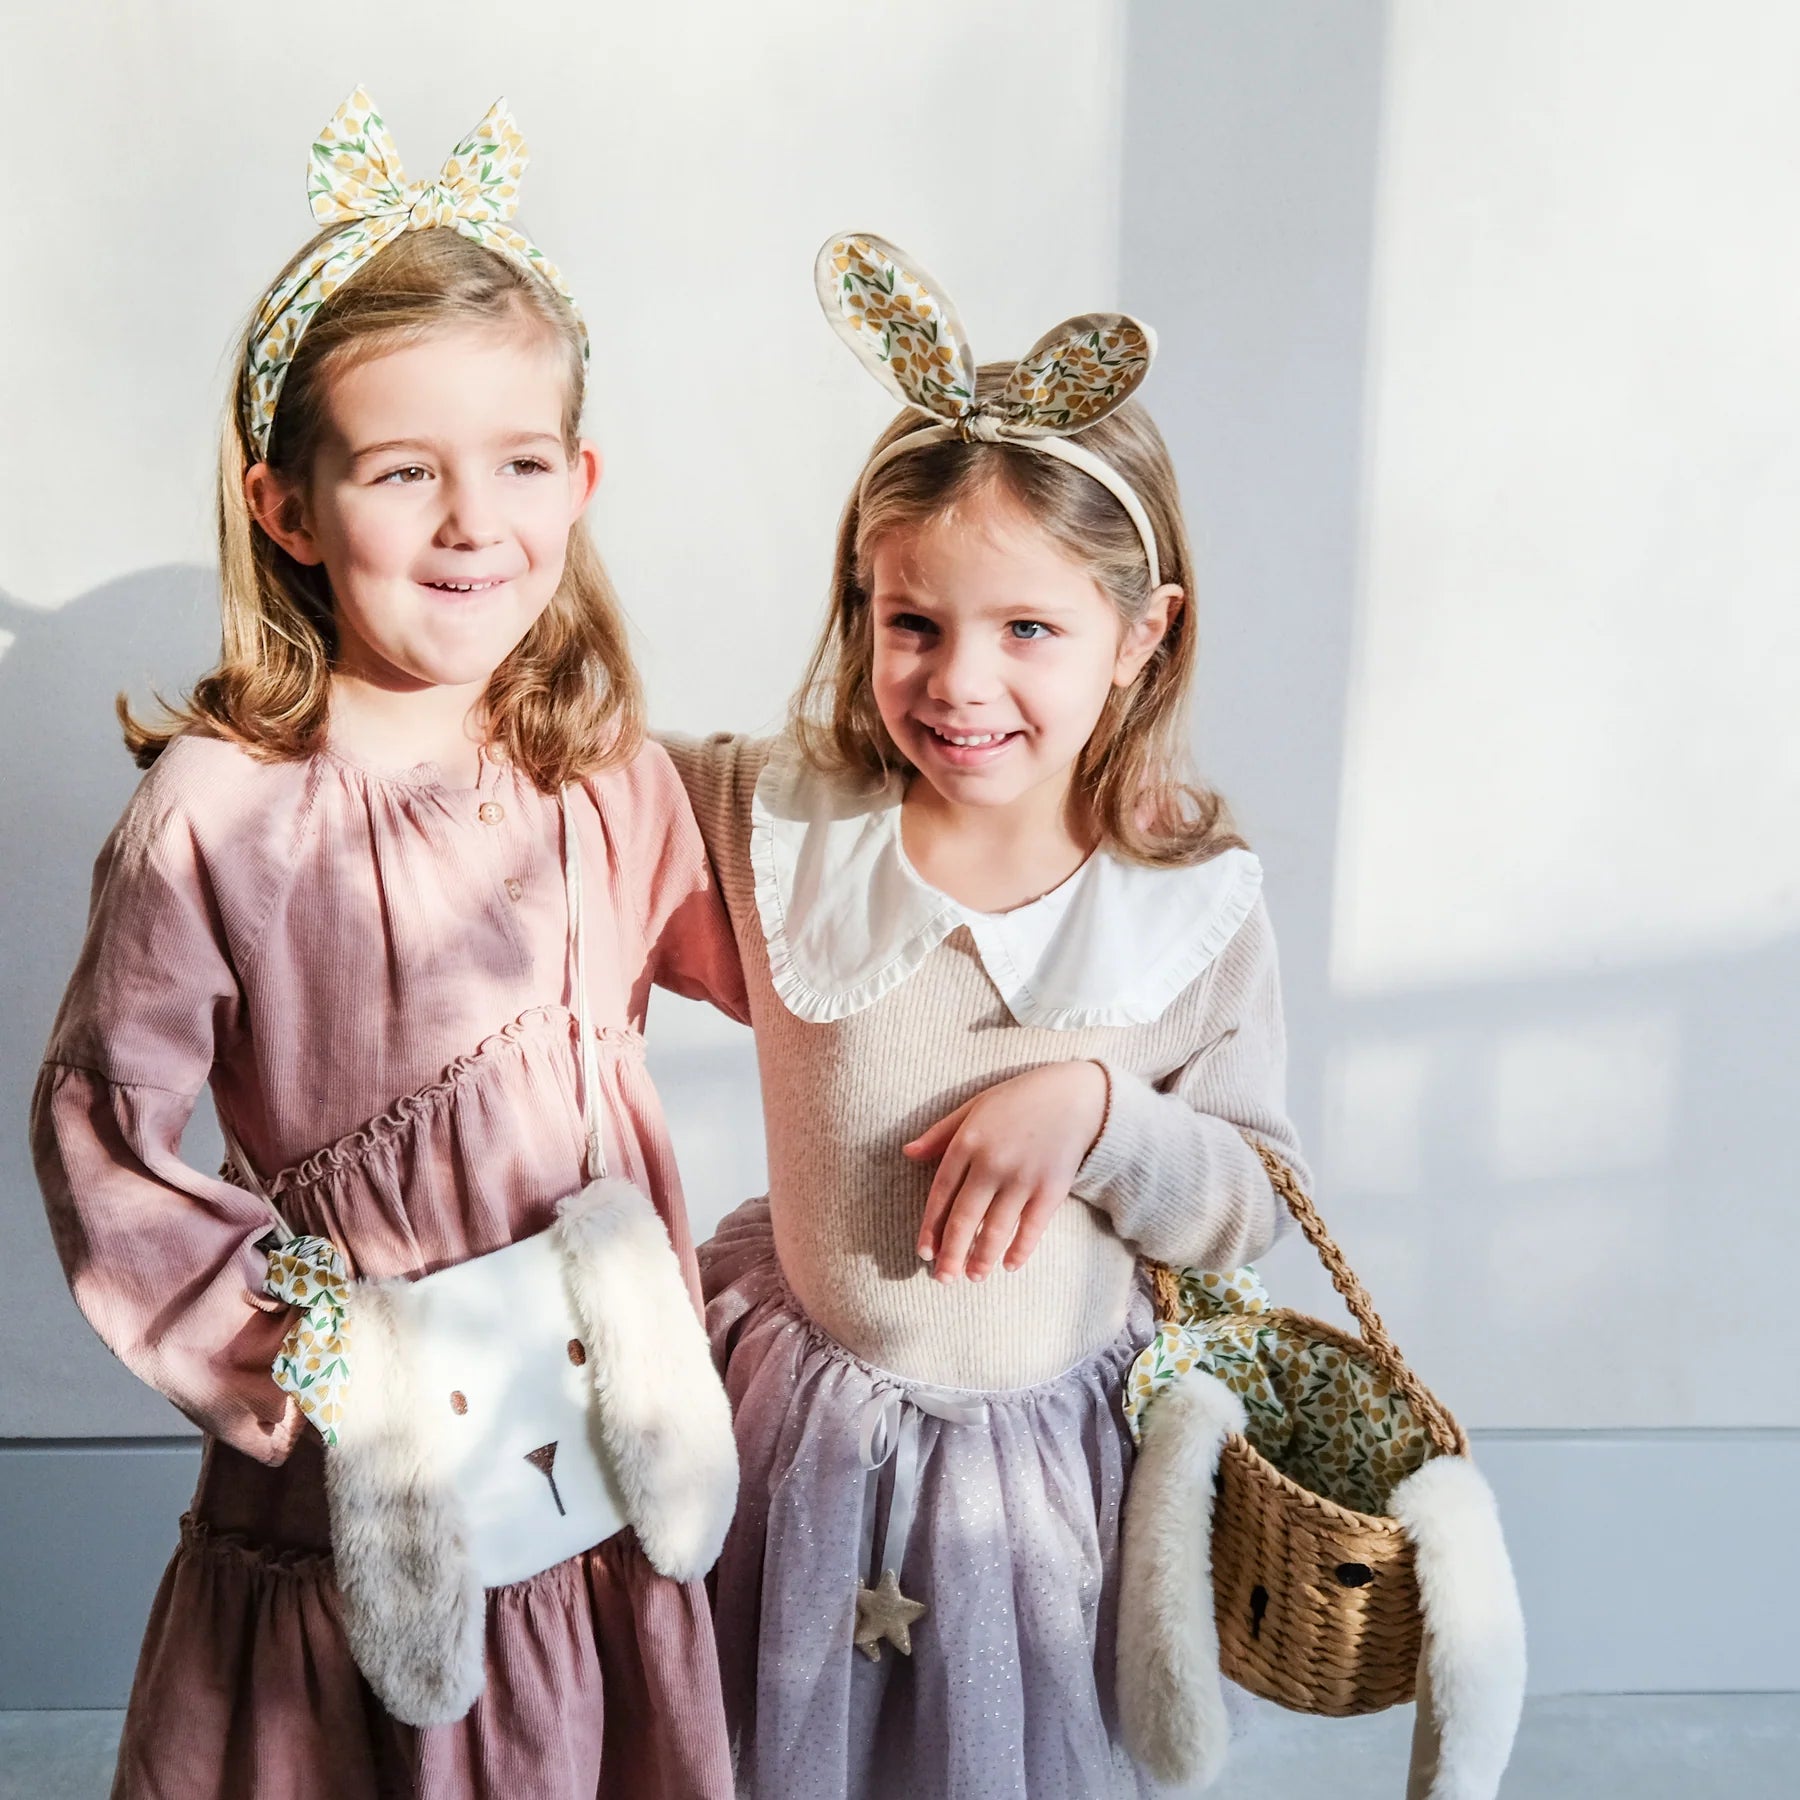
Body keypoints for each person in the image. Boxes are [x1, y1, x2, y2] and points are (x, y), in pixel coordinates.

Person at [30, 91, 744, 1800]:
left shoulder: (606, 777)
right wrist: (306, 1353)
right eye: (404, 470)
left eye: (515, 465)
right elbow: (101, 1126)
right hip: (380, 1466)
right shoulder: (223, 809)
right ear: (288, 505)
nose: (468, 520)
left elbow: (808, 981)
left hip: (593, 1448)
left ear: (578, 484)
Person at [669, 233, 1313, 1798]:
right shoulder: (779, 817)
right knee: (779, 1744)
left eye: (1029, 630)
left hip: (1039, 1479)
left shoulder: (1188, 899)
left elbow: (1252, 1194)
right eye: (914, 625)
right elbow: (565, 794)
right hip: (805, 1432)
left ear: (1143, 634)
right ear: (863, 605)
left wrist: (1099, 1115)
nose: (961, 683)